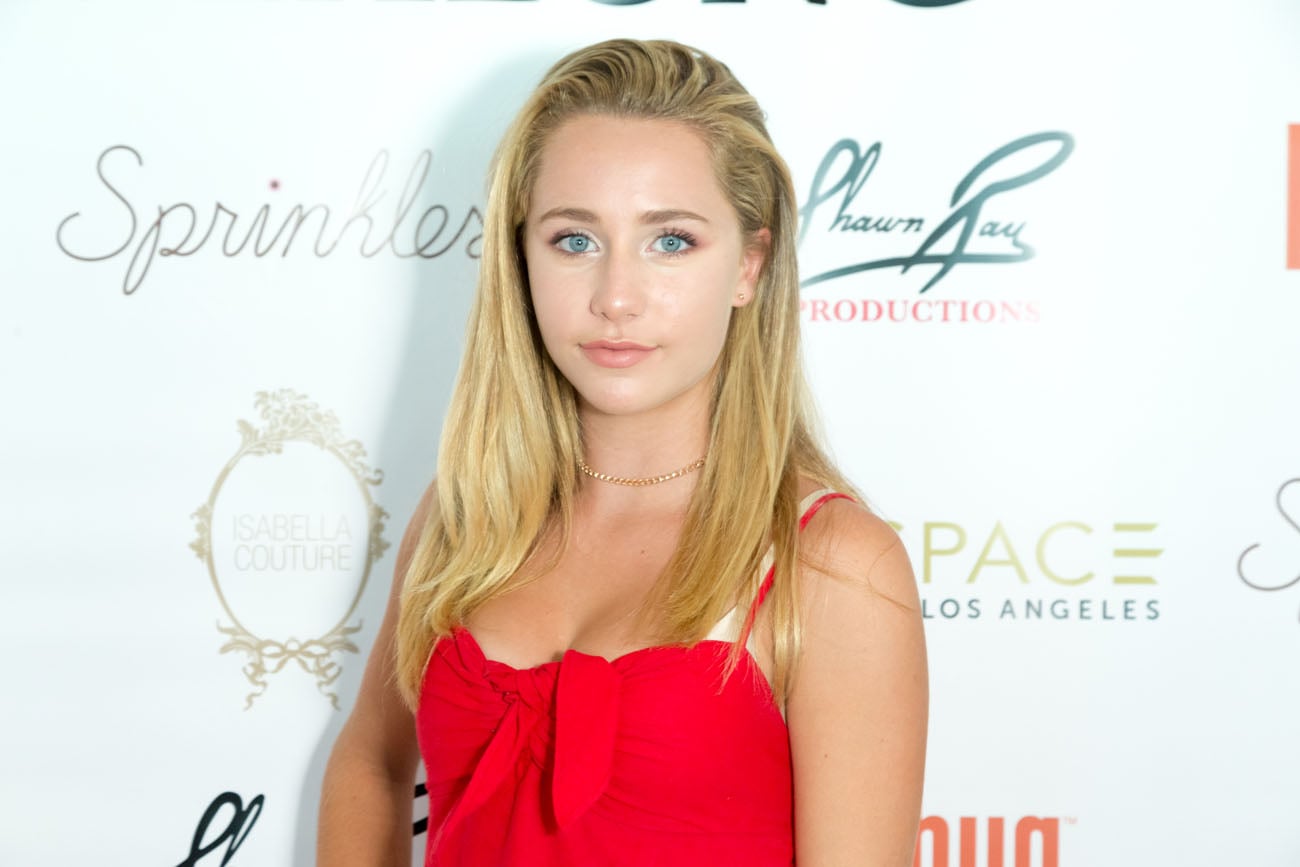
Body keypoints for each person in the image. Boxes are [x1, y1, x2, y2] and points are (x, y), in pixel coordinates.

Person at [318, 38, 927, 866]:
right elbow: (371, 761)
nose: (615, 297)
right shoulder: (466, 515)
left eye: (670, 240)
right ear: (521, 258)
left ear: (749, 265)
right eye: (575, 240)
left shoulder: (833, 564)